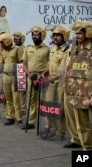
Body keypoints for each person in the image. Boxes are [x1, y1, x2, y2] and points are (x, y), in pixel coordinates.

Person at [62, 20, 92, 150]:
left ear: (88, 33)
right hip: (73, 90)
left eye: (80, 33)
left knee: (83, 125)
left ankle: (87, 149)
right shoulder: (74, 48)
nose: (77, 36)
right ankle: (78, 141)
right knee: (75, 121)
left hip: (87, 92)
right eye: (76, 33)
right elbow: (69, 67)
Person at [39, 25, 70, 140]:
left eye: (58, 35)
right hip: (51, 82)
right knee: (49, 105)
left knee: (60, 107)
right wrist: (44, 72)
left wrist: (54, 77)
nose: (55, 37)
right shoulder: (53, 48)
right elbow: (50, 64)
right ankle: (51, 128)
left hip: (61, 82)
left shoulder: (68, 50)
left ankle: (60, 133)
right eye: (54, 35)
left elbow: (66, 69)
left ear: (64, 36)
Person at [21, 25, 50, 130]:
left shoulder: (47, 49)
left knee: (45, 101)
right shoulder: (28, 48)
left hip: (43, 78)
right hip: (31, 77)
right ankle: (31, 122)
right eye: (33, 34)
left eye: (37, 34)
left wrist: (43, 73)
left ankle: (48, 125)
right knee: (32, 100)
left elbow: (50, 64)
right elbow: (24, 63)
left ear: (42, 36)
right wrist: (28, 74)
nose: (34, 36)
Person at [0, 33, 23, 126]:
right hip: (5, 77)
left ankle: (19, 118)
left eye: (2, 43)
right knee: (8, 98)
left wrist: (22, 79)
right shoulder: (3, 52)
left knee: (16, 99)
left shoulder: (17, 49)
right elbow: (1, 65)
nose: (1, 45)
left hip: (15, 77)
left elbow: (21, 64)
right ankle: (10, 117)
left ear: (7, 41)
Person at [12, 32, 27, 113]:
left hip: (21, 71)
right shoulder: (13, 48)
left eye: (17, 38)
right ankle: (17, 106)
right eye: (14, 38)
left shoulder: (23, 48)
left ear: (22, 39)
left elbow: (22, 61)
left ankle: (23, 108)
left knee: (22, 91)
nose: (15, 40)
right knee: (16, 91)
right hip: (15, 71)